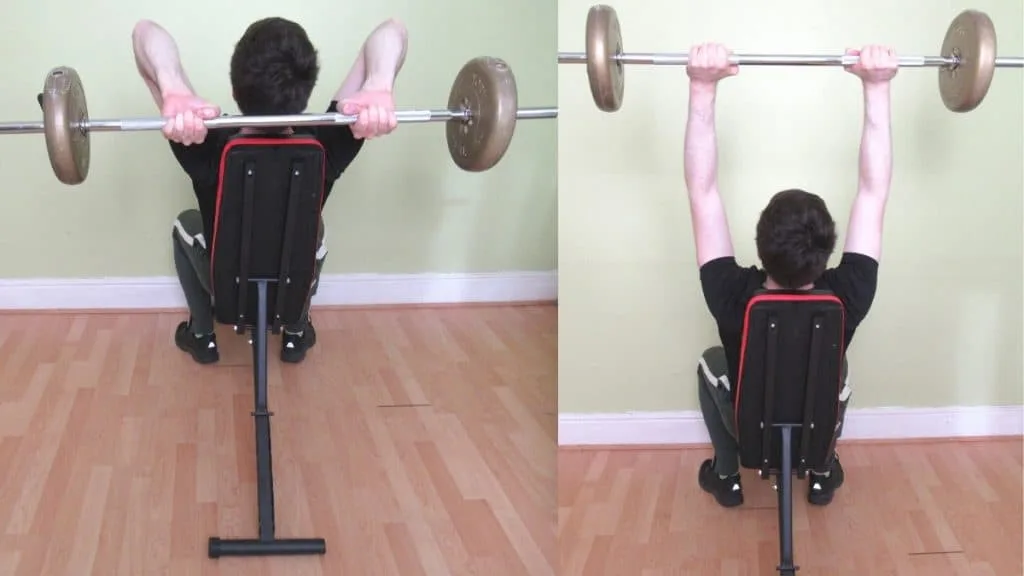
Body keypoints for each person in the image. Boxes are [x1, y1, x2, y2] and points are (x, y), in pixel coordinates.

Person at [685, 44, 898, 508]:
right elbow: (873, 191)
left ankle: (727, 474)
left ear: (759, 243)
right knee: (835, 365)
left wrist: (701, 87)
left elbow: (702, 192)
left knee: (710, 360)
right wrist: (877, 87)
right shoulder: (850, 293)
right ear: (828, 250)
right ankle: (821, 468)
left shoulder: (731, 293)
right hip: (813, 425)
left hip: (750, 430)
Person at [131, 16, 407, 365]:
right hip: (292, 287)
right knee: (314, 231)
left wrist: (173, 90)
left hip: (227, 290)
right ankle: (295, 330)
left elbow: (144, 33)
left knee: (184, 224)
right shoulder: (327, 142)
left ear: (234, 89)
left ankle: (202, 335)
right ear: (307, 88)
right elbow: (392, 30)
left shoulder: (205, 141)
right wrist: (380, 84)